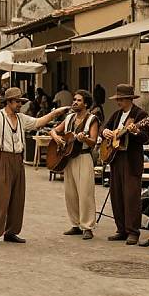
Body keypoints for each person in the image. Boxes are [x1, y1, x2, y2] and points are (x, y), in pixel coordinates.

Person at [0, 87, 69, 247]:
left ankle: (11, 232)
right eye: (17, 102)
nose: (20, 104)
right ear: (9, 102)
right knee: (1, 197)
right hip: (3, 158)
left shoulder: (21, 118)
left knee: (17, 197)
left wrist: (55, 113)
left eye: (21, 102)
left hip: (18, 159)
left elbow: (38, 122)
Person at [102, 84, 149, 245]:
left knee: (131, 196)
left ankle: (133, 231)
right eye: (117, 99)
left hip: (131, 159)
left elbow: (144, 137)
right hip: (116, 158)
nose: (118, 102)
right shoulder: (117, 115)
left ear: (129, 99)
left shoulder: (140, 115)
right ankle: (121, 229)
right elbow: (106, 128)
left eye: (121, 99)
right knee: (117, 195)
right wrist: (105, 132)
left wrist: (135, 131)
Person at [50, 90, 99, 240]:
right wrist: (57, 138)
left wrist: (84, 139)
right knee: (70, 193)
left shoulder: (92, 119)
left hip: (83, 158)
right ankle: (75, 224)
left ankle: (88, 226)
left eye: (78, 100)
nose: (74, 102)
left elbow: (94, 140)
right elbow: (53, 130)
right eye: (74, 100)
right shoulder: (70, 117)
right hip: (68, 158)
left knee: (85, 193)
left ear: (85, 103)